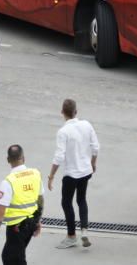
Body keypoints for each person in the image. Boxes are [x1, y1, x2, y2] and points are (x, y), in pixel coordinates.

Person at [48, 98, 99, 250]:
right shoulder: (86, 125)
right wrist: (93, 163)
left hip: (71, 174)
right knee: (81, 200)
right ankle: (84, 229)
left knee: (66, 202)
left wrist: (51, 176)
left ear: (62, 112)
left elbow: (59, 157)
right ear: (76, 112)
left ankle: (71, 236)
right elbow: (95, 147)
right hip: (85, 171)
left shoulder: (63, 132)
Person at [0, 144, 43, 265]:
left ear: (8, 160)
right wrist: (38, 220)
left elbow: (0, 211)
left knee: (12, 259)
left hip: (17, 227)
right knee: (16, 255)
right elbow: (40, 199)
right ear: (24, 158)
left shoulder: (8, 182)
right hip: (31, 223)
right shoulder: (35, 174)